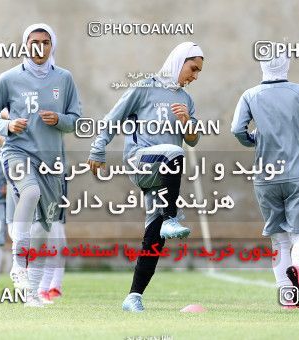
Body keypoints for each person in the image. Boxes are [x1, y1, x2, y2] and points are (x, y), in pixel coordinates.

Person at [87, 42, 204, 312]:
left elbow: (193, 140)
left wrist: (187, 123)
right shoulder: (144, 88)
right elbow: (113, 118)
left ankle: (133, 296)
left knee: (155, 235)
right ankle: (172, 218)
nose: (195, 76)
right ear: (178, 61)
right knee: (174, 152)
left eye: (198, 72)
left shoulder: (186, 99)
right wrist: (97, 147)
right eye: (193, 68)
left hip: (164, 173)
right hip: (140, 161)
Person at [0, 23, 81, 307]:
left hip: (51, 161)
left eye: (45, 42)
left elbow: (75, 119)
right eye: (34, 42)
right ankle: (17, 262)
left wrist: (59, 120)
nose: (39, 47)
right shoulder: (9, 78)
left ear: (52, 46)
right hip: (16, 152)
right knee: (30, 192)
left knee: (43, 229)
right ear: (25, 45)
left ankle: (32, 293)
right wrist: (8, 124)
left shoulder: (64, 78)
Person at [231, 50, 299, 308]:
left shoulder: (250, 95)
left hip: (265, 177)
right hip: (298, 175)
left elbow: (237, 130)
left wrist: (254, 139)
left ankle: (286, 296)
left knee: (278, 237)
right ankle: (298, 268)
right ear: (287, 63)